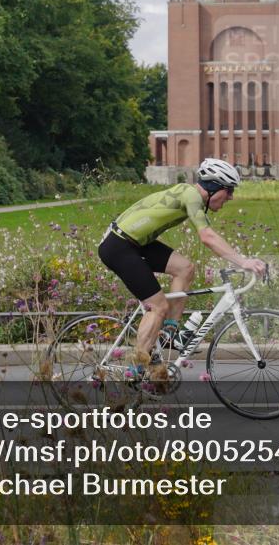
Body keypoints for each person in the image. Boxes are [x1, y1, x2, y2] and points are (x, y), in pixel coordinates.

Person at [98, 158, 266, 386]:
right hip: (119, 246)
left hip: (135, 243)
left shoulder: (190, 195)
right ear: (215, 187)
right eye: (229, 191)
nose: (231, 197)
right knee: (158, 306)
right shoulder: (192, 196)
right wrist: (243, 261)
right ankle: (134, 369)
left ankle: (169, 335)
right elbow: (207, 237)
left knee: (185, 268)